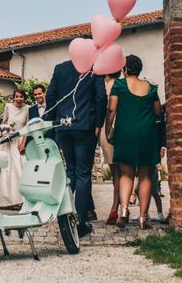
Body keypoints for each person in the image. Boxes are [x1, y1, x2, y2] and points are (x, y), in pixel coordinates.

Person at [45, 60, 106, 237]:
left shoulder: (60, 68)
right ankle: (81, 221)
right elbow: (101, 96)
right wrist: (98, 123)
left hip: (63, 126)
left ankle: (63, 215)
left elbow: (51, 96)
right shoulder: (94, 68)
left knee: (70, 172)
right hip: (85, 126)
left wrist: (54, 121)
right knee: (83, 174)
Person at [105, 55, 161, 230]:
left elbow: (112, 109)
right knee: (145, 176)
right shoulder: (151, 88)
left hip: (125, 133)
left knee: (126, 174)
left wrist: (108, 129)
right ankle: (144, 218)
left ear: (125, 69)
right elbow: (158, 111)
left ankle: (123, 210)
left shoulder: (119, 85)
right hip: (147, 135)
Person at [0, 89, 29, 209]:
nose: (19, 99)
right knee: (5, 171)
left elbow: (27, 127)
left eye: (21, 96)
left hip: (19, 141)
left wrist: (23, 143)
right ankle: (3, 201)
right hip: (7, 142)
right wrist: (5, 131)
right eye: (17, 96)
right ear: (14, 97)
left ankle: (18, 200)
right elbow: (3, 123)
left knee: (18, 170)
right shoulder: (8, 107)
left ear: (24, 98)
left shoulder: (27, 109)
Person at [100, 70, 122, 225]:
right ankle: (120, 207)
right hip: (123, 126)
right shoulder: (122, 84)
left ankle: (116, 208)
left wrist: (106, 129)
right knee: (122, 171)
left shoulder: (107, 85)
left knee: (116, 172)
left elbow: (109, 109)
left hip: (109, 128)